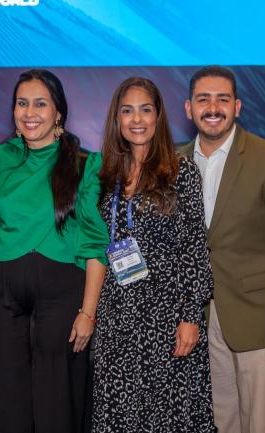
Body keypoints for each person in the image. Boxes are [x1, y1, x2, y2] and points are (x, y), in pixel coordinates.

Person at [0, 69, 109, 433]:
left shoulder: (84, 164)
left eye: (40, 104)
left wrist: (88, 312)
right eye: (22, 103)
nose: (29, 112)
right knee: (1, 394)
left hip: (62, 295)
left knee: (57, 395)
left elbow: (95, 243)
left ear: (58, 112)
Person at [179, 66, 265, 433]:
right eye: (203, 99)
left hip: (258, 319)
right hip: (200, 319)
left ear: (237, 107)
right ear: (189, 108)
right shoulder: (172, 163)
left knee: (260, 422)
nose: (213, 108)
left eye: (222, 99)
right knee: (221, 420)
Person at [92, 77, 216, 433]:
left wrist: (191, 315)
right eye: (127, 110)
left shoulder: (181, 171)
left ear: (158, 116)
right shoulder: (106, 174)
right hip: (117, 316)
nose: (137, 119)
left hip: (167, 316)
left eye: (145, 110)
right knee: (120, 412)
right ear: (117, 118)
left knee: (168, 416)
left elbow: (194, 247)